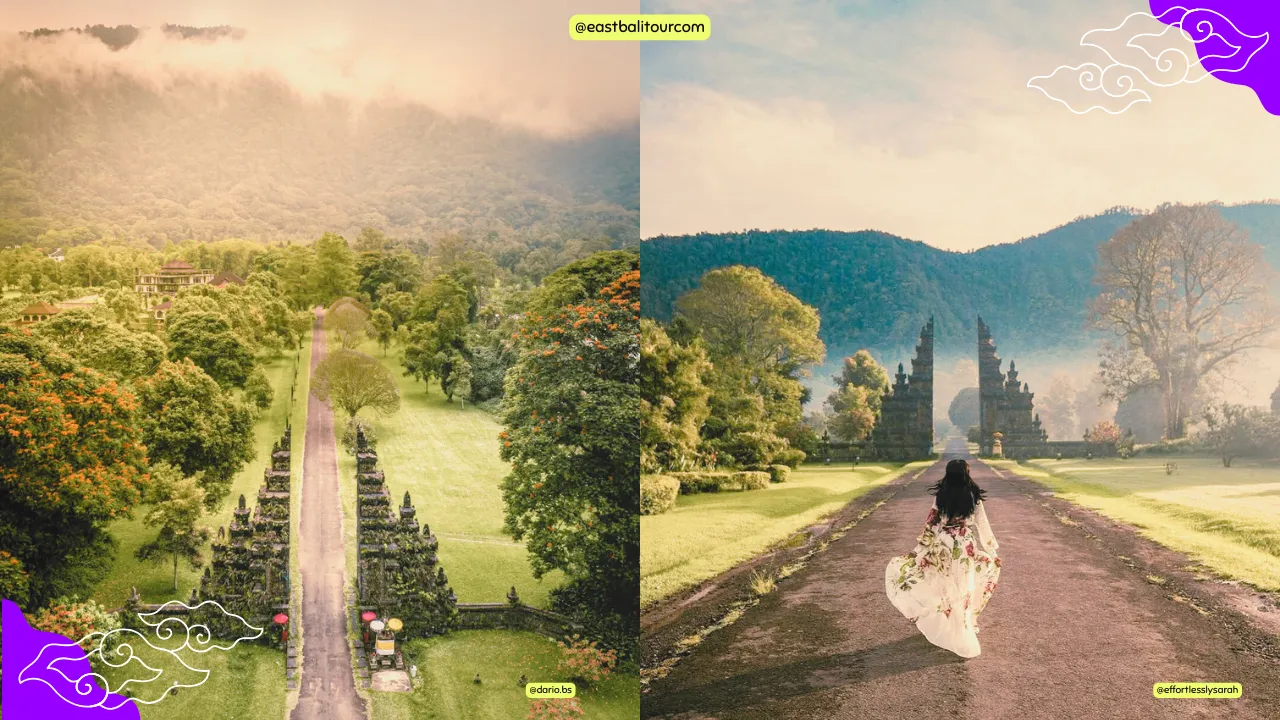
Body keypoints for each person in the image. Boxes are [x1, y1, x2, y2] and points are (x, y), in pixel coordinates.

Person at [884, 458, 1001, 658]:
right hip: (965, 546)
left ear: (948, 474)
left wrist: (919, 550)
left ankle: (950, 625)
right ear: (966, 474)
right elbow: (982, 524)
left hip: (944, 546)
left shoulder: (942, 495)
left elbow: (932, 525)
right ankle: (962, 625)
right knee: (964, 586)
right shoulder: (973, 496)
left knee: (945, 586)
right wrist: (992, 551)